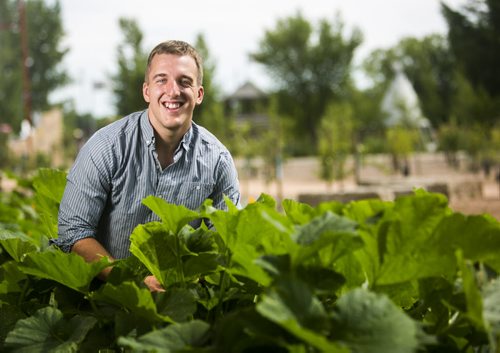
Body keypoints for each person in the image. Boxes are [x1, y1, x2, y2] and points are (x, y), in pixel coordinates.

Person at [55, 40, 241, 292]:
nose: (173, 91)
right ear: (146, 91)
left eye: (184, 81)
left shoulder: (218, 160)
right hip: (105, 299)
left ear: (199, 94)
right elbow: (74, 232)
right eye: (161, 80)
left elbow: (227, 242)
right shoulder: (105, 147)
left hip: (183, 301)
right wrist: (131, 281)